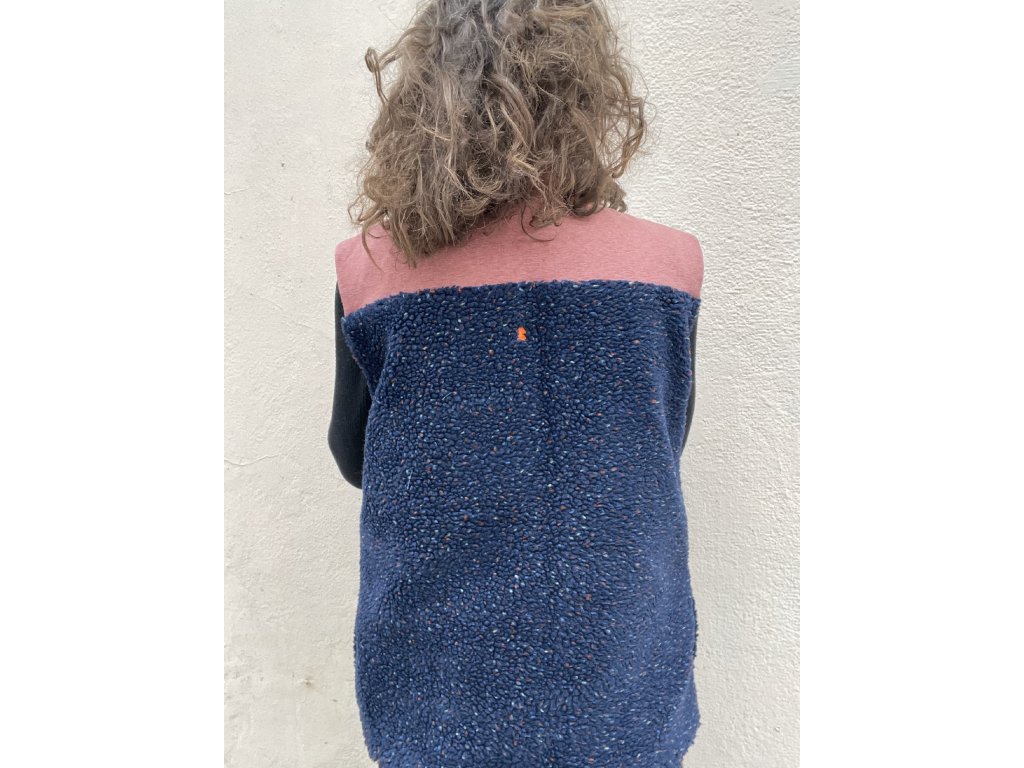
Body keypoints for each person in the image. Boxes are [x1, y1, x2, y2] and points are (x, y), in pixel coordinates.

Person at [328, 2, 703, 765]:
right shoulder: (669, 266)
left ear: (426, 96)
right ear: (585, 94)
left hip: (438, 675)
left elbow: (354, 454)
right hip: (620, 671)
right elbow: (660, 442)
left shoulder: (370, 267)